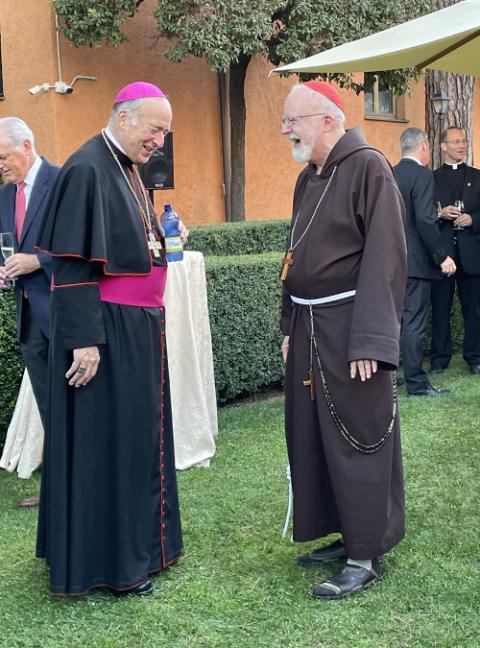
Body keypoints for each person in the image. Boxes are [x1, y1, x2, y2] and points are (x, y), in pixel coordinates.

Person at [36, 81, 183, 596]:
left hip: (137, 327)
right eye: (154, 128)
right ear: (124, 117)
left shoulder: (126, 168)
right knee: (114, 446)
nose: (159, 140)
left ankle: (145, 546)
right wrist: (84, 341)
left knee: (139, 439)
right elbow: (71, 264)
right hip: (107, 331)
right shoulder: (86, 167)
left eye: (163, 130)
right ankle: (116, 564)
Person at [280, 81, 407, 600]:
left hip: (351, 328)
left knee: (358, 435)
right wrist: (289, 326)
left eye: (294, 121)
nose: (286, 130)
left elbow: (387, 257)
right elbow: (294, 259)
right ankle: (342, 532)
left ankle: (364, 554)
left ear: (328, 121)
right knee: (314, 435)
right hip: (309, 328)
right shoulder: (309, 177)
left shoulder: (370, 167)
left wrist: (372, 343)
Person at [0, 117, 59, 508]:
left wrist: (37, 261)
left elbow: (85, 246)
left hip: (64, 311)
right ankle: (57, 490)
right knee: (48, 406)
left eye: (3, 156)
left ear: (26, 145)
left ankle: (84, 484)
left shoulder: (63, 182)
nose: (0, 165)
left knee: (75, 404)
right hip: (28, 316)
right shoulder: (4, 195)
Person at [394, 128, 455, 396]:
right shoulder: (422, 175)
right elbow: (425, 219)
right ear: (423, 146)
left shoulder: (390, 173)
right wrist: (442, 255)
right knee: (414, 322)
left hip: (391, 261)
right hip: (417, 263)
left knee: (394, 322)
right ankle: (417, 383)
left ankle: (392, 379)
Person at [430, 126, 480, 375]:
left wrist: (473, 219)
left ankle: (475, 358)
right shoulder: (431, 178)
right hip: (443, 255)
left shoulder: (478, 176)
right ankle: (439, 359)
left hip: (472, 255)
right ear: (443, 147)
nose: (461, 145)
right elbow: (421, 214)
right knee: (440, 308)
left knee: (475, 309)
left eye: (464, 141)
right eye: (456, 141)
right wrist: (440, 213)